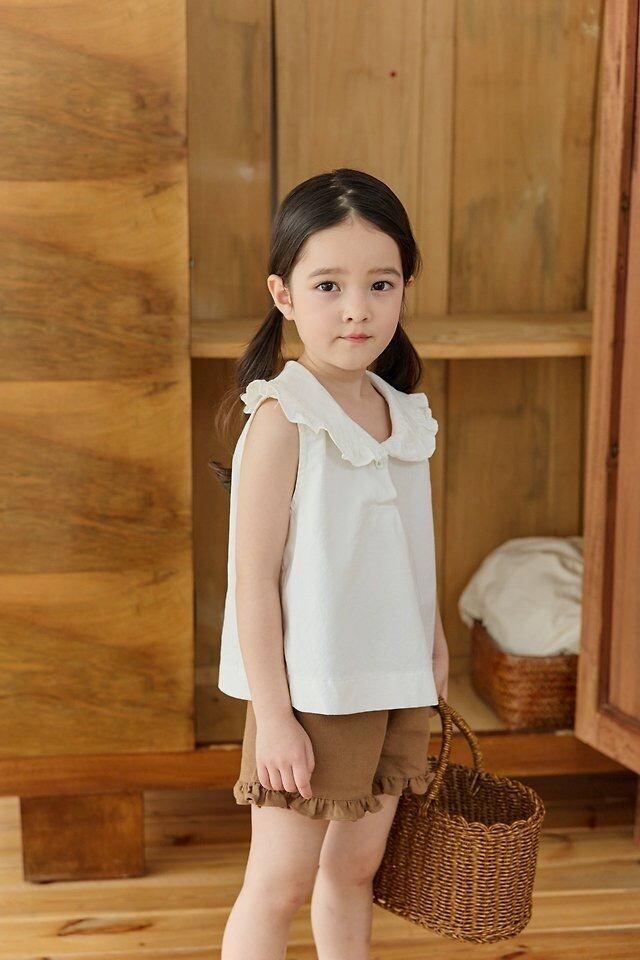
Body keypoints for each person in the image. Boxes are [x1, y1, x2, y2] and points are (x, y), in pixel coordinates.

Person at [209, 168, 450, 960]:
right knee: (278, 883)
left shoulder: (401, 413)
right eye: (328, 285)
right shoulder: (284, 417)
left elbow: (409, 551)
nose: (357, 308)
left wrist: (433, 645)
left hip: (394, 679)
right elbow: (252, 585)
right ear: (283, 295)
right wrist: (275, 717)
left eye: (381, 283)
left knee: (354, 871)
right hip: (313, 693)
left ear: (405, 285)